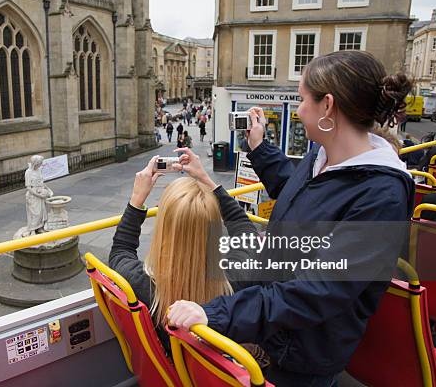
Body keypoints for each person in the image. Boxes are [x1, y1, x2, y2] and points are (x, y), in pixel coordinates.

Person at [166, 50, 415, 386]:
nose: (298, 110)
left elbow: (319, 290)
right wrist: (259, 147)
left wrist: (216, 314)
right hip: (277, 331)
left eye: (301, 99)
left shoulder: (382, 195)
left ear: (327, 106)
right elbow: (295, 188)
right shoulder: (322, 155)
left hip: (305, 353)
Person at [109, 156, 254, 353]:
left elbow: (120, 250)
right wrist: (207, 181)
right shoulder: (235, 280)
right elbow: (246, 232)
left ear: (163, 227)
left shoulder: (141, 285)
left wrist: (137, 198)